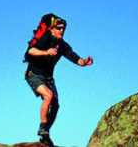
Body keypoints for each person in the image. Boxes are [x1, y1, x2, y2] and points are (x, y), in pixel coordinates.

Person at [24, 13, 93, 146]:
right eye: (59, 28)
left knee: (55, 106)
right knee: (48, 96)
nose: (62, 30)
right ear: (52, 29)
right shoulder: (45, 38)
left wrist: (84, 62)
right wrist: (46, 52)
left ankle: (45, 134)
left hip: (48, 78)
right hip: (33, 74)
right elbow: (30, 51)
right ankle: (43, 128)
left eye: (63, 29)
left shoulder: (62, 45)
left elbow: (74, 58)